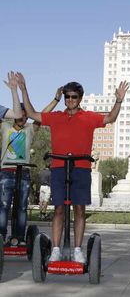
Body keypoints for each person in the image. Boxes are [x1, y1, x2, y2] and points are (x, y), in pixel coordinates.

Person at [22, 79, 129, 263]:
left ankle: (78, 249)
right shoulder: (56, 117)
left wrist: (118, 101)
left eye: (74, 97)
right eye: (67, 96)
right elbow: (32, 113)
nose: (70, 100)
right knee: (59, 209)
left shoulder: (89, 117)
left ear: (80, 98)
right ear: (64, 98)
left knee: (79, 209)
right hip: (59, 167)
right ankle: (56, 249)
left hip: (80, 168)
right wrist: (23, 89)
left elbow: (110, 118)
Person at [0, 72, 62, 244]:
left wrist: (56, 100)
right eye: (21, 115)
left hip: (24, 172)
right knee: (4, 207)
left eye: (26, 116)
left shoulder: (30, 130)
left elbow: (43, 114)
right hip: (6, 172)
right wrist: (15, 90)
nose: (23, 118)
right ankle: (1, 237)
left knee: (21, 208)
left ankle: (18, 238)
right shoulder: (5, 127)